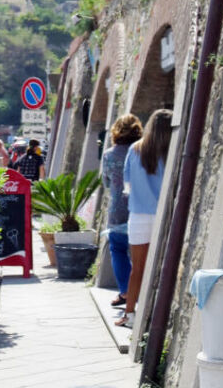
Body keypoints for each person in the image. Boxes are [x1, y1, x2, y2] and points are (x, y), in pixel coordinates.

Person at [116, 109, 173, 328]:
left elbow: (127, 185)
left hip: (139, 215)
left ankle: (129, 315)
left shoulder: (135, 149)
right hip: (163, 216)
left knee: (137, 268)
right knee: (164, 266)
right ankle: (161, 316)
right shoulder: (170, 152)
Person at [101, 114, 143, 308]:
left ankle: (126, 292)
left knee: (118, 250)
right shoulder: (142, 152)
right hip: (141, 208)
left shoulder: (109, 154)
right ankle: (140, 292)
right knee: (141, 252)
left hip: (118, 210)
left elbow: (106, 182)